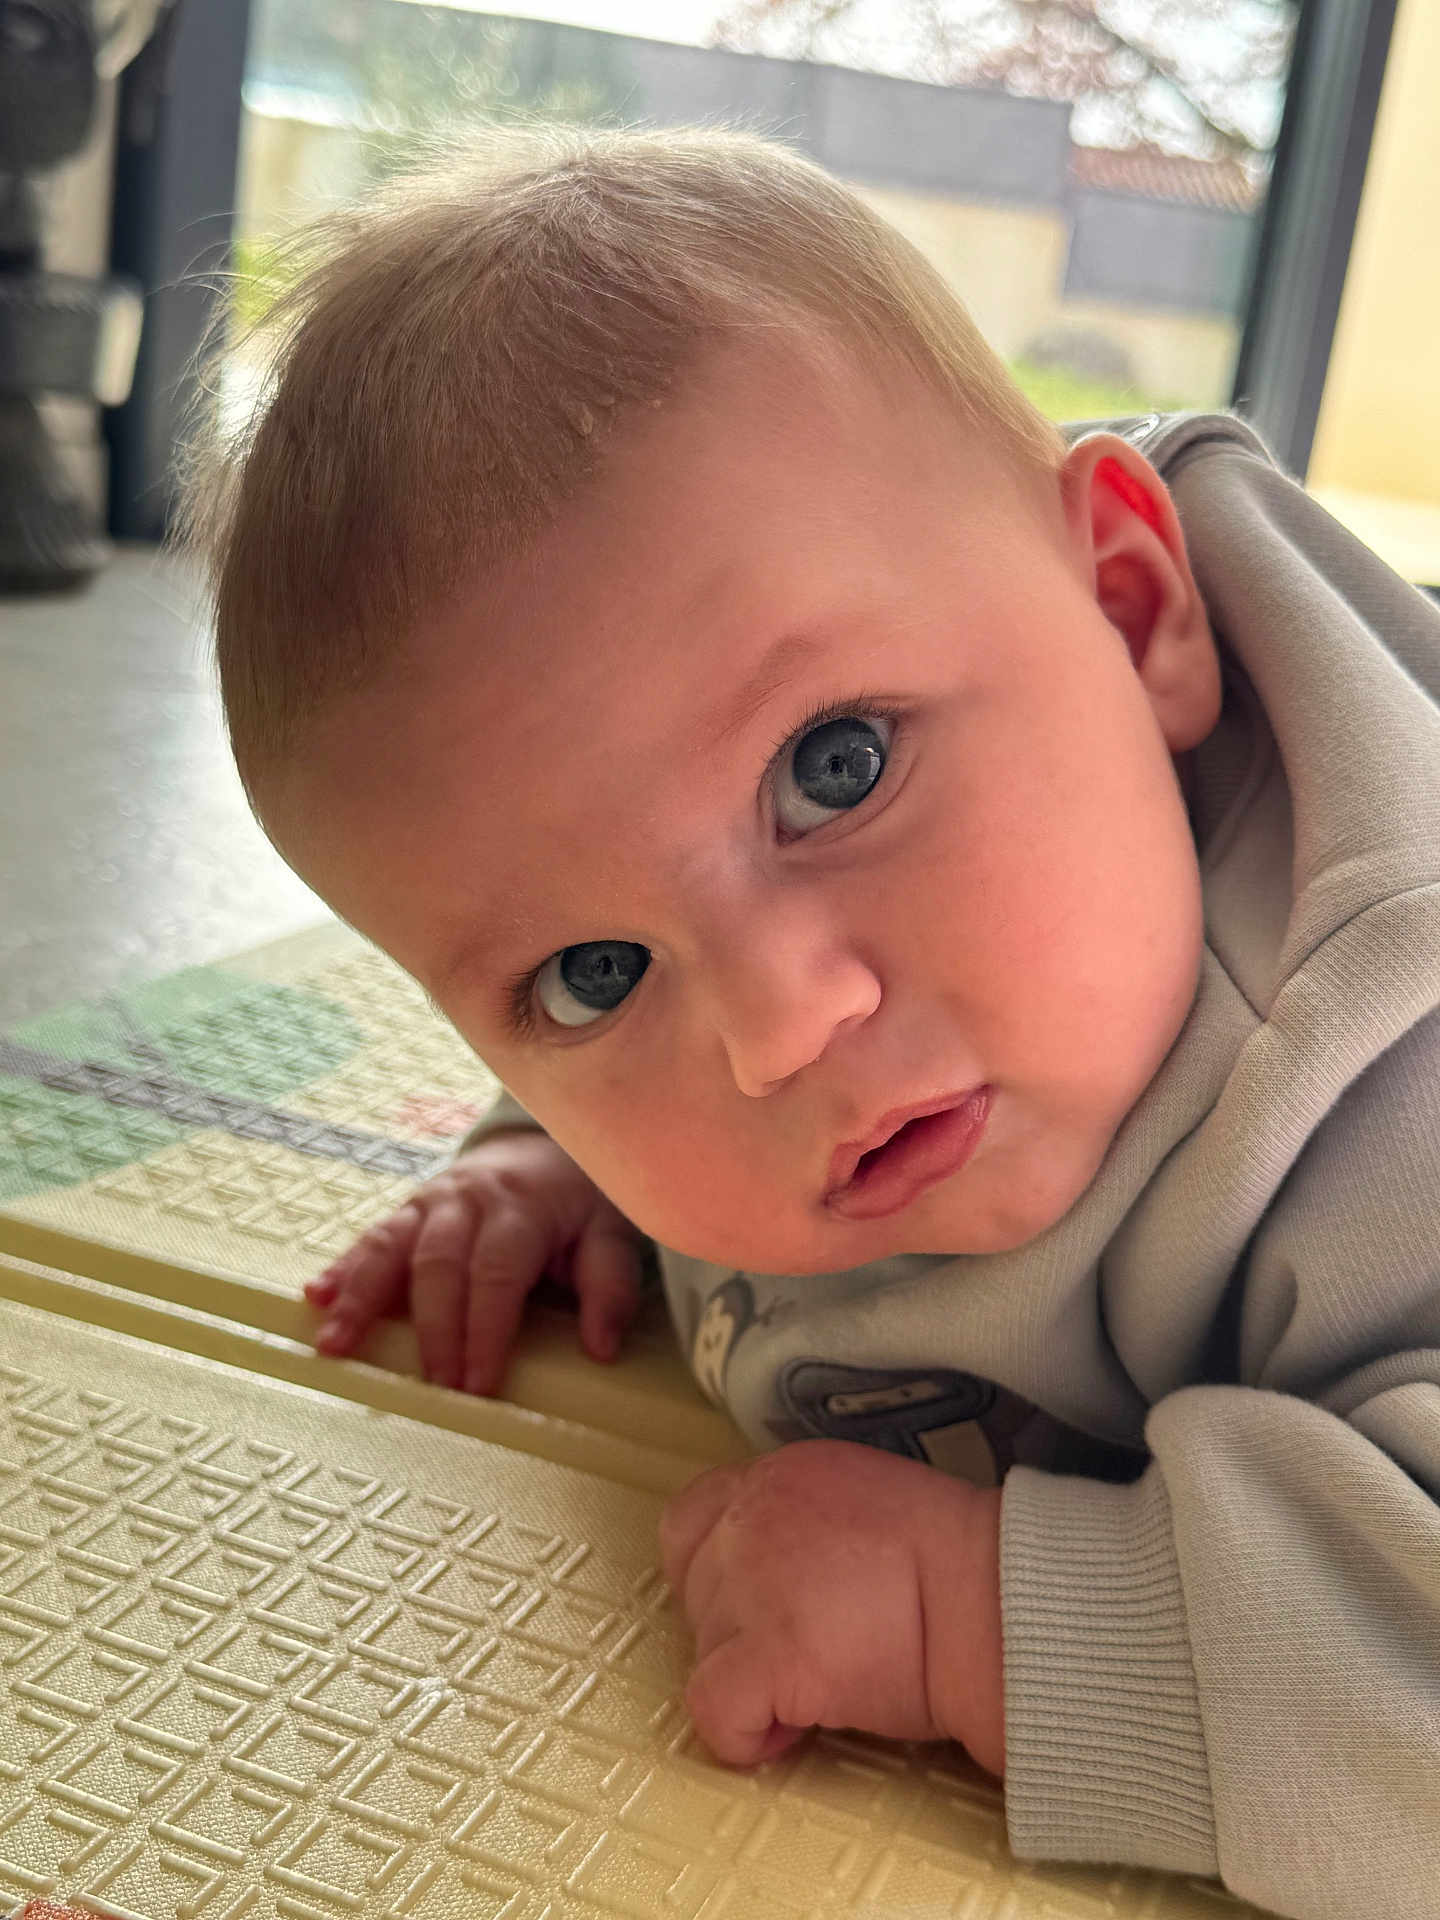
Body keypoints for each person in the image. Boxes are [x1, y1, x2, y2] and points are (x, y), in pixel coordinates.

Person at [186, 124, 1440, 1918]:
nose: (779, 1031)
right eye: (590, 978)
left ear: (1131, 611)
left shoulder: (1386, 1078)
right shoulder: (882, 989)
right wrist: (543, 1158)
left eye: (833, 769)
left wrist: (985, 1622)